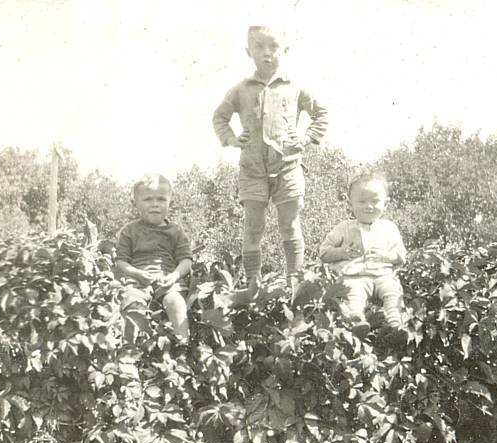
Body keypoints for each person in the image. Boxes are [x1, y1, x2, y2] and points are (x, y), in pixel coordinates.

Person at [212, 25, 328, 303]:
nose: (267, 54)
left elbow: (321, 115)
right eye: (259, 47)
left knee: (289, 224)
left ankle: (294, 281)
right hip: (252, 171)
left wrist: (305, 137)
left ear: (284, 50)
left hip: (288, 168)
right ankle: (252, 284)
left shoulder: (296, 87)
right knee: (253, 226)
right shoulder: (240, 89)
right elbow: (219, 118)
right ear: (248, 52)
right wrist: (231, 139)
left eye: (273, 47)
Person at [319, 171, 406, 328]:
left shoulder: (389, 228)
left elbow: (401, 255)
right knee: (352, 294)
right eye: (362, 202)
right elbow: (324, 253)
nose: (368, 206)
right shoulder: (344, 228)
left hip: (382, 274)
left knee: (392, 292)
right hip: (354, 276)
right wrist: (342, 252)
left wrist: (386, 256)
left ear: (385, 204)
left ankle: (395, 323)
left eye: (375, 201)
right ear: (350, 203)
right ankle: (357, 321)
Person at [115, 173, 192, 344]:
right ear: (136, 203)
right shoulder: (130, 230)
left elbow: (186, 260)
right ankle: (131, 349)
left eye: (161, 199)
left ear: (169, 202)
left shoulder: (175, 231)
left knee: (177, 303)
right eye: (148, 199)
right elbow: (121, 261)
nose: (155, 205)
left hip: (167, 279)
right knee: (131, 304)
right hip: (137, 279)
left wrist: (174, 276)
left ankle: (182, 346)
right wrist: (137, 274)